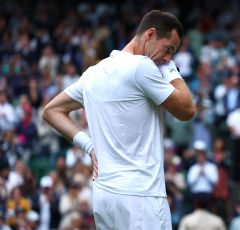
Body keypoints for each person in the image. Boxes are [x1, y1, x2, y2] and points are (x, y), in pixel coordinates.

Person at [42, 10, 196, 229]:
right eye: (168, 49)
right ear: (150, 34)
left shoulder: (94, 72)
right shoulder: (142, 66)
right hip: (141, 196)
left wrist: (89, 147)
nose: (167, 57)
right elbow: (187, 109)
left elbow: (51, 110)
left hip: (105, 196)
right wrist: (171, 70)